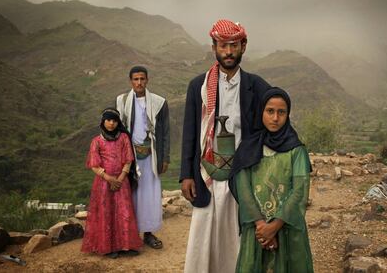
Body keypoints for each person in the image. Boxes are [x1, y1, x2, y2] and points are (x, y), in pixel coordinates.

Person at [180, 19, 270, 273]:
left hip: (241, 176)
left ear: (244, 46)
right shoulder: (198, 86)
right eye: (223, 46)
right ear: (214, 47)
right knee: (204, 235)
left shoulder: (257, 86)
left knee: (236, 238)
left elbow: (272, 125)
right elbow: (190, 133)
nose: (228, 52)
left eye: (234, 45)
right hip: (207, 172)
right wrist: (186, 174)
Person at [229, 88, 314, 272]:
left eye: (281, 112)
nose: (275, 118)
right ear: (261, 112)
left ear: (287, 114)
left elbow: (300, 190)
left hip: (287, 229)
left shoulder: (297, 150)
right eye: (270, 111)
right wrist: (262, 226)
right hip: (256, 230)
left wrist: (274, 226)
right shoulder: (248, 148)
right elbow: (243, 189)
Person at [116, 66, 170, 249]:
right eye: (135, 79)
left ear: (147, 80)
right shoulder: (122, 101)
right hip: (130, 158)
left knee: (149, 195)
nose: (139, 83)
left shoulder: (159, 102)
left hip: (151, 156)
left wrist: (165, 158)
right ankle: (130, 234)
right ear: (130, 81)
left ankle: (148, 233)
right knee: (130, 194)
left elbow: (165, 133)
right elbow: (118, 131)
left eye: (142, 79)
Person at [81, 108, 143, 259]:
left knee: (124, 212)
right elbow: (94, 165)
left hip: (121, 182)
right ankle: (108, 247)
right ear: (103, 121)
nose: (111, 123)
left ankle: (126, 245)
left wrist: (120, 178)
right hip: (103, 184)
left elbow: (128, 160)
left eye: (115, 120)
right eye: (108, 120)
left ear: (118, 122)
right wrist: (109, 178)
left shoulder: (123, 138)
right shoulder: (96, 141)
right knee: (106, 214)